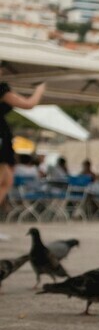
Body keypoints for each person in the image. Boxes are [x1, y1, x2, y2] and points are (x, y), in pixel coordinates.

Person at [0, 79, 46, 226]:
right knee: (5, 180)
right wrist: (40, 88)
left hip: (3, 137)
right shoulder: (1, 89)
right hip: (2, 139)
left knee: (6, 181)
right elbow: (28, 104)